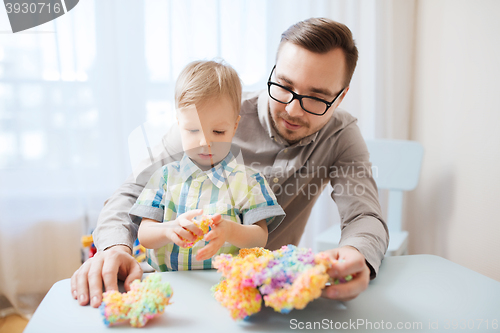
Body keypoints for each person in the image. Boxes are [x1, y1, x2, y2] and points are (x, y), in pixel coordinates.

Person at [71, 17, 388, 308]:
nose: (292, 109)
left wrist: (356, 254)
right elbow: (132, 191)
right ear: (273, 70)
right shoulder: (213, 114)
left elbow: (365, 215)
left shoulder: (341, 135)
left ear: (341, 96)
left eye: (316, 98)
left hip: (268, 297)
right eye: (284, 86)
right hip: (183, 287)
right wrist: (115, 247)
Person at [133, 60, 285, 271]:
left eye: (218, 132)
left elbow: (260, 238)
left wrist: (230, 231)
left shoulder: (249, 181)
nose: (205, 142)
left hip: (225, 285)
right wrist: (169, 230)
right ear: (179, 123)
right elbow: (145, 235)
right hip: (168, 286)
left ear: (234, 127)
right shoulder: (164, 177)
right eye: (193, 131)